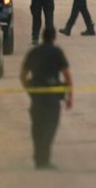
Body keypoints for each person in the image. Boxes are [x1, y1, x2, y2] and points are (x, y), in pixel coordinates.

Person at [20, 28, 73, 170]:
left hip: (37, 95)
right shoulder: (57, 52)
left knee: (37, 126)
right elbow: (67, 76)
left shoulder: (34, 52)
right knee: (50, 126)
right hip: (52, 96)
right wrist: (69, 97)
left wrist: (29, 90)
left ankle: (39, 158)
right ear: (54, 37)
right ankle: (44, 158)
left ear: (42, 37)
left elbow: (23, 75)